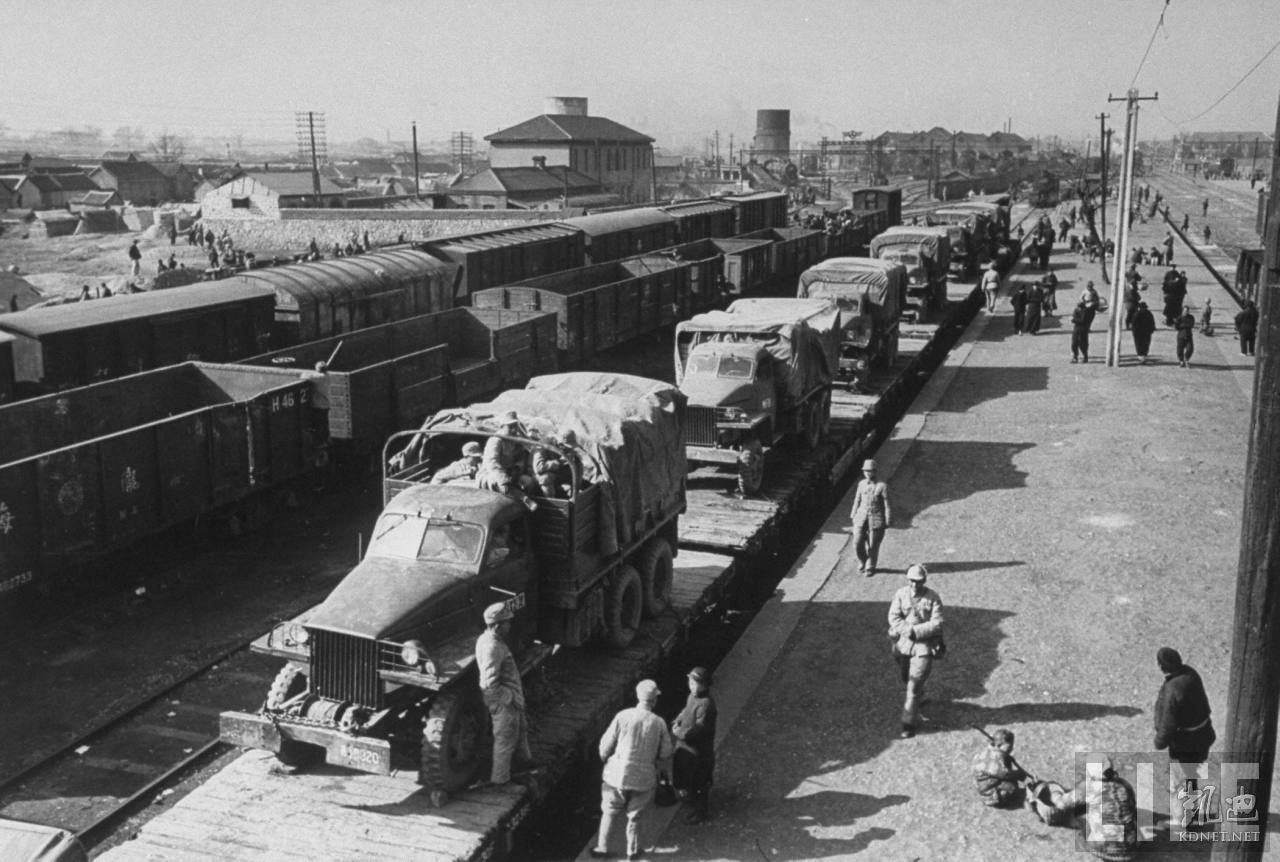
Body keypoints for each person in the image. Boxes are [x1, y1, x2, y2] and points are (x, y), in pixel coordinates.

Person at [591, 679, 673, 861]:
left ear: (637, 696)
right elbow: (666, 752)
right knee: (635, 816)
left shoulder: (623, 716)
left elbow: (606, 744)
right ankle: (632, 852)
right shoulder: (659, 722)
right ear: (654, 700)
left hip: (616, 775)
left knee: (609, 811)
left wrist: (606, 759)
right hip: (643, 779)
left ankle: (602, 848)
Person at [475, 602, 533, 787]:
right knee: (505, 742)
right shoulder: (492, 647)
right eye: (507, 622)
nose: (510, 626)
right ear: (497, 625)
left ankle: (525, 764)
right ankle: (501, 781)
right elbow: (488, 683)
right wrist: (508, 698)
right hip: (505, 703)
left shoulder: (488, 640)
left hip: (512, 700)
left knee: (520, 731)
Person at [888, 564, 944, 739]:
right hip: (902, 645)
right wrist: (907, 631)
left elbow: (937, 623)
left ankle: (908, 724)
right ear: (907, 580)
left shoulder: (933, 597)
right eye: (912, 581)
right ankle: (920, 695)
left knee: (913, 686)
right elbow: (893, 617)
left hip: (923, 647)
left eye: (918, 581)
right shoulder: (901, 594)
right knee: (906, 678)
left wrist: (916, 632)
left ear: (924, 580)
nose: (915, 585)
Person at [1153, 647, 1216, 794]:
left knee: (1183, 772)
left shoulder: (1172, 689)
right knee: (1192, 769)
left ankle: (1182, 797)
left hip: (1184, 740)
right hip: (1204, 733)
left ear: (1161, 667)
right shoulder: (1190, 672)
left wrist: (1159, 741)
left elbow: (1168, 723)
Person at [1060, 756, 1138, 862]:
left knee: (1080, 814)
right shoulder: (1124, 784)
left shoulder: (1089, 787)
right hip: (1131, 848)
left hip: (1105, 849)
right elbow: (1133, 808)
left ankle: (1097, 848)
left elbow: (1063, 804)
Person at [671, 667, 717, 825]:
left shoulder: (706, 704)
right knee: (687, 774)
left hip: (699, 750)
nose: (691, 686)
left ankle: (701, 812)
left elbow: (700, 729)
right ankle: (690, 798)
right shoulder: (692, 697)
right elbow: (686, 710)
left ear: (705, 685)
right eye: (690, 683)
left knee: (699, 780)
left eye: (695, 684)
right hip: (687, 747)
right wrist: (678, 719)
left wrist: (680, 733)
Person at [477, 411, 539, 502]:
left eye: (515, 426)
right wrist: (503, 479)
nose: (514, 430)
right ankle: (522, 498)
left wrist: (517, 470)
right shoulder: (495, 440)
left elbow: (523, 456)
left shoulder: (515, 440)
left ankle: (521, 503)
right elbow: (492, 463)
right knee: (499, 484)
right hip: (491, 474)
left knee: (528, 481)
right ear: (502, 427)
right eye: (510, 427)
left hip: (510, 474)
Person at [849, 459, 891, 576]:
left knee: (873, 545)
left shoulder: (882, 486)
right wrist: (853, 514)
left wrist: (888, 520)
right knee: (857, 542)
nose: (867, 473)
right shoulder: (861, 484)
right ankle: (863, 560)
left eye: (870, 471)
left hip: (876, 518)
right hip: (861, 517)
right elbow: (857, 500)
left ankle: (870, 566)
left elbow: (887, 505)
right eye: (865, 471)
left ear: (875, 472)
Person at [972, 729, 1026, 807]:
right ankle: (997, 801)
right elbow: (1005, 774)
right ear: (1000, 745)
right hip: (987, 792)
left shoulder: (987, 752)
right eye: (1010, 745)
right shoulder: (996, 759)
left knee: (1009, 773)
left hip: (984, 783)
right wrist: (1020, 775)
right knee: (1012, 787)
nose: (1012, 748)